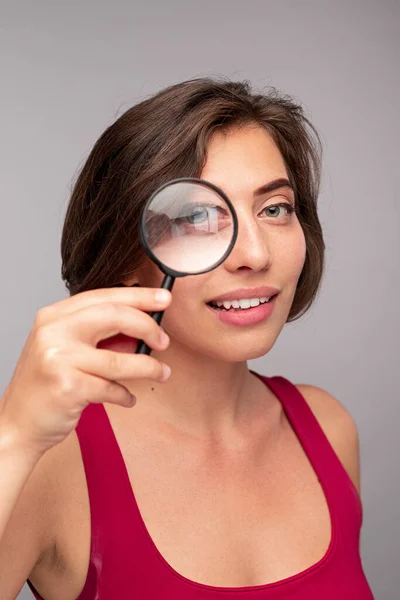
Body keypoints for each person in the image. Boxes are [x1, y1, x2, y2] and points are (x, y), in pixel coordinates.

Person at [0, 77, 374, 599]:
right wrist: (13, 435)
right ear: (128, 256)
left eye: (275, 209)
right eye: (197, 217)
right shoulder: (47, 463)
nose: (256, 255)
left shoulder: (329, 430)